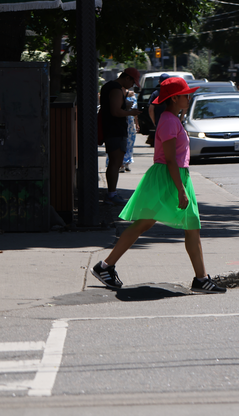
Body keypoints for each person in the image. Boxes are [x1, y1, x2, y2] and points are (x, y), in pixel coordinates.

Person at [91, 77, 226, 293]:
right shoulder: (169, 121)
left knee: (165, 225)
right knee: (185, 226)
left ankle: (106, 266)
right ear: (174, 98)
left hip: (171, 176)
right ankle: (200, 279)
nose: (189, 98)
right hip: (170, 178)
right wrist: (181, 190)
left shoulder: (171, 118)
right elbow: (170, 159)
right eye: (185, 95)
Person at [100, 68, 142, 205]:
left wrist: (125, 106)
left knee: (115, 163)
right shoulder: (116, 89)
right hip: (115, 130)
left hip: (112, 129)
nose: (132, 86)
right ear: (127, 78)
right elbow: (116, 112)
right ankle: (111, 194)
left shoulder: (110, 87)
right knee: (115, 163)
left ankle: (112, 193)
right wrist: (131, 112)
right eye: (133, 82)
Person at [143, 73, 170, 147]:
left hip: (160, 121)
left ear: (159, 82)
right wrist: (180, 118)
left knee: (161, 143)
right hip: (172, 121)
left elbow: (151, 109)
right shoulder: (173, 93)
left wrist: (154, 121)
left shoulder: (155, 94)